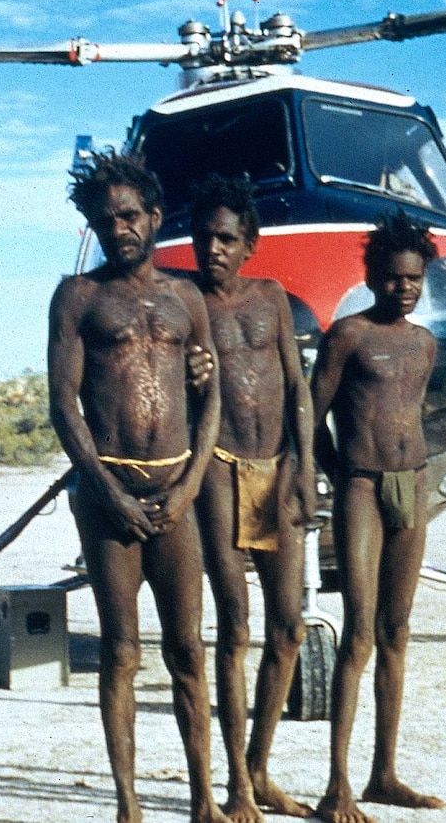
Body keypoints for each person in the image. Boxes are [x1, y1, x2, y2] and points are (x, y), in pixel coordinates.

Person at [48, 150, 229, 823]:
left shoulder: (187, 298)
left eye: (129, 215)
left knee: (187, 648)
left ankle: (205, 800)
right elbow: (63, 402)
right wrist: (105, 490)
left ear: (154, 216)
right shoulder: (78, 297)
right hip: (108, 497)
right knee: (121, 651)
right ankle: (129, 806)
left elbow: (209, 401)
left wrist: (188, 486)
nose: (118, 227)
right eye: (105, 219)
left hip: (178, 490)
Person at [310, 215, 446, 823]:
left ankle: (383, 774)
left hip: (411, 485)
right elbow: (309, 418)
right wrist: (339, 472)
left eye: (413, 279)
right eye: (392, 279)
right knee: (359, 634)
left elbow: (408, 415)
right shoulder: (347, 335)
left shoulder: (424, 343)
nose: (403, 289)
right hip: (361, 488)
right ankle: (337, 785)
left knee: (397, 633)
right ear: (369, 276)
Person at [189, 175, 316, 823]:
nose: (213, 248)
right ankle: (236, 784)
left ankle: (261, 766)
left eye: (226, 238)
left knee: (288, 625)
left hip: (278, 468)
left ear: (250, 245)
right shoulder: (188, 303)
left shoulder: (271, 299)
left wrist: (304, 466)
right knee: (235, 625)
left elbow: (297, 388)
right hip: (217, 468)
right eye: (205, 236)